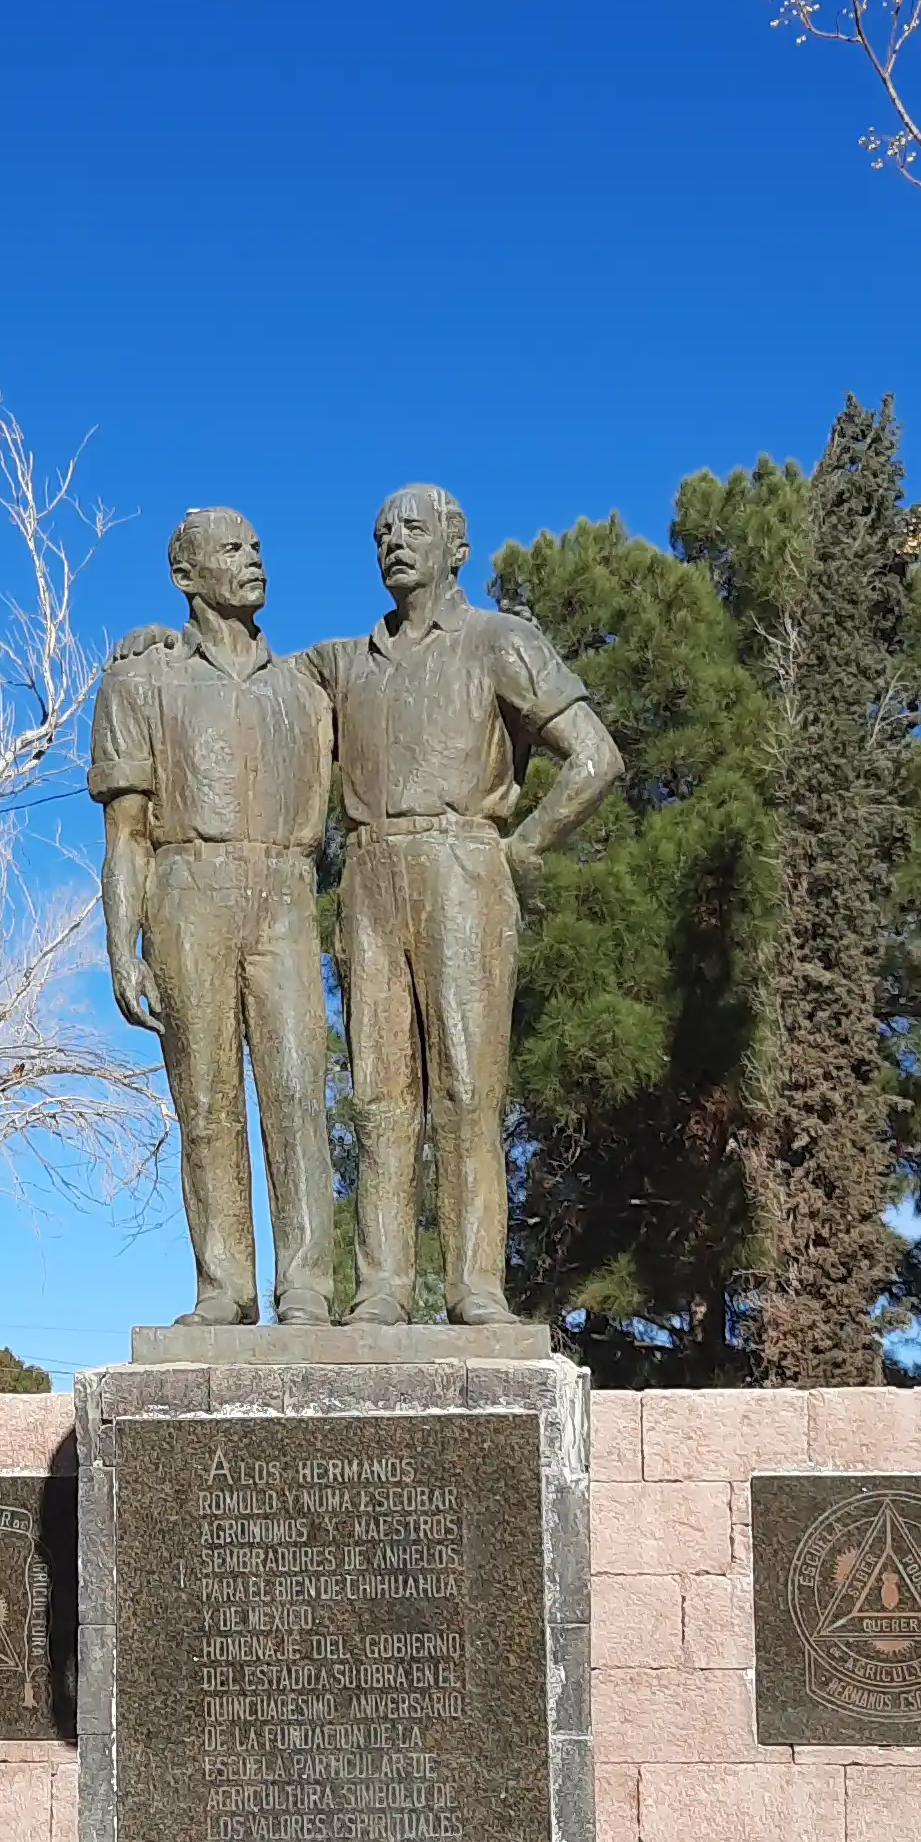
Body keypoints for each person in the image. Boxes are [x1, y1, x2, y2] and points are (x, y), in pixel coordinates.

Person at [309, 484, 620, 1324]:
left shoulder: (499, 642)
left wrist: (522, 848)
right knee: (379, 1095)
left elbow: (595, 758)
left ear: (457, 546)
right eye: (381, 532)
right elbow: (248, 681)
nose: (394, 542)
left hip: (462, 867)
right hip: (370, 877)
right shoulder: (344, 663)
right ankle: (382, 1287)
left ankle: (477, 1285)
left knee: (468, 1088)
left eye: (414, 527)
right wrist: (157, 646)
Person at [89, 507, 336, 1325]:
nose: (253, 559)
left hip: (287, 888)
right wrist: (121, 946)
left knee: (299, 1090)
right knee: (207, 1102)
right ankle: (223, 1288)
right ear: (186, 575)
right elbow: (125, 833)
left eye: (258, 546)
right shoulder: (139, 680)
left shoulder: (309, 682)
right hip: (186, 888)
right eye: (231, 549)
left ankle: (307, 1286)